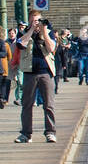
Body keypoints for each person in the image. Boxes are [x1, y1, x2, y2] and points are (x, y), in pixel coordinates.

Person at [15, 13, 57, 143]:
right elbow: (20, 45)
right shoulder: (23, 33)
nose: (37, 23)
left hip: (45, 72)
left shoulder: (48, 32)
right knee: (27, 104)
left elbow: (51, 48)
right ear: (29, 21)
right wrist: (31, 30)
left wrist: (44, 31)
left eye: (38, 20)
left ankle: (50, 132)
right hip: (29, 72)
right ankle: (26, 134)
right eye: (34, 21)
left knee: (48, 104)